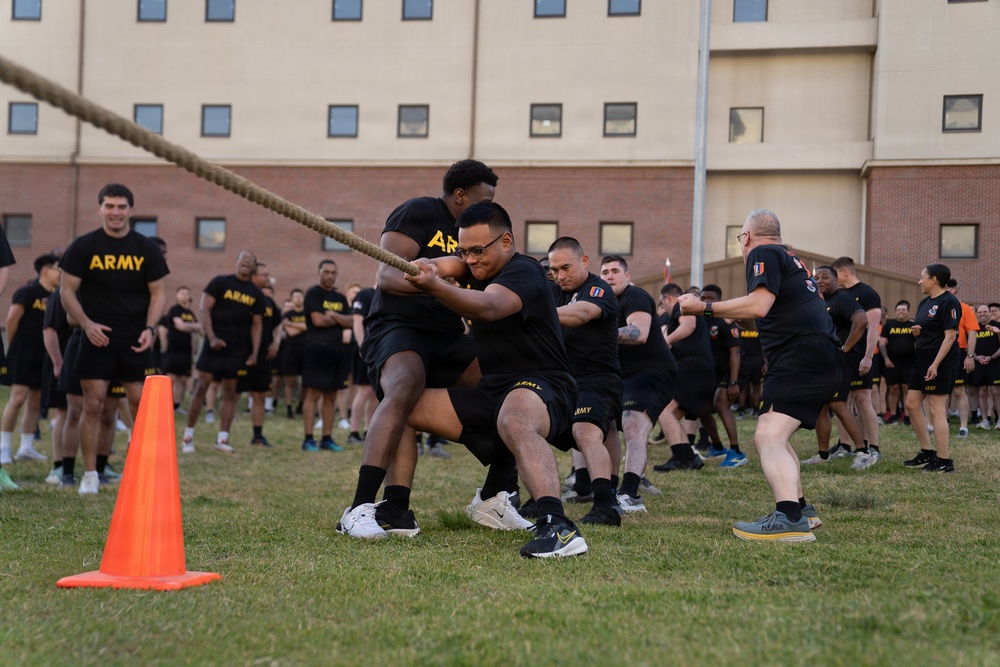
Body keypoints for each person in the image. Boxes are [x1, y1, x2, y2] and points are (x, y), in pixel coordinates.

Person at [344, 202, 587, 557]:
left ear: (505, 241)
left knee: (514, 417)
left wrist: (435, 286)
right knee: (401, 407)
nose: (471, 259)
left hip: (544, 384)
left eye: (478, 250)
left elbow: (487, 306)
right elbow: (442, 266)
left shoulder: (525, 272)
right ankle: (397, 507)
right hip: (494, 390)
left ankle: (557, 526)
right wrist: (426, 268)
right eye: (464, 250)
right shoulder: (474, 264)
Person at [341, 159, 496, 537]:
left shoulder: (469, 235)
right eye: (482, 198)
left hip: (445, 333)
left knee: (502, 380)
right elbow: (389, 277)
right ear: (459, 194)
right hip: (399, 326)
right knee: (406, 386)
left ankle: (495, 497)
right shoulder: (420, 210)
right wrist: (439, 284)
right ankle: (359, 507)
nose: (486, 207)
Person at [678, 209, 839, 542]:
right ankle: (801, 510)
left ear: (746, 236)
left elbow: (759, 305)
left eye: (741, 239)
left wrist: (702, 307)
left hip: (801, 354)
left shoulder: (762, 253)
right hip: (818, 353)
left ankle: (789, 519)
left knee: (768, 434)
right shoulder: (792, 259)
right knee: (775, 430)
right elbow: (766, 314)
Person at [59, 184, 168, 495]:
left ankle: (143, 472)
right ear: (100, 209)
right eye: (109, 206)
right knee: (92, 405)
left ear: (131, 210)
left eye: (121, 207)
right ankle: (90, 475)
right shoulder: (83, 246)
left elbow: (158, 293)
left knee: (138, 406)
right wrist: (86, 324)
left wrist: (150, 329)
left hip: (136, 335)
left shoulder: (146, 248)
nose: (116, 212)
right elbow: (66, 292)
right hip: (96, 334)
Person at [541, 236, 621, 526]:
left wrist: (538, 315)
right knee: (525, 427)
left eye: (566, 268)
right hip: (561, 380)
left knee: (585, 432)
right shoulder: (551, 291)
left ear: (584, 261)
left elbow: (582, 313)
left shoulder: (598, 288)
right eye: (554, 271)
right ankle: (535, 500)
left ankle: (604, 506)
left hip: (598, 379)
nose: (560, 276)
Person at [600, 255, 678, 513]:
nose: (609, 276)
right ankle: (596, 484)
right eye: (604, 272)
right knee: (598, 425)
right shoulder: (602, 302)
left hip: (653, 371)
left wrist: (596, 336)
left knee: (633, 423)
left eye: (614, 271)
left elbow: (639, 333)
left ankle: (630, 493)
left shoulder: (635, 296)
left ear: (627, 275)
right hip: (620, 375)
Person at [181, 250, 263, 453]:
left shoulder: (256, 292)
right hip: (214, 345)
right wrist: (211, 337)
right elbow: (204, 309)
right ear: (236, 262)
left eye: (250, 260)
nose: (246, 262)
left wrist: (254, 353)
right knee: (201, 387)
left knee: (230, 392)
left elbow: (257, 325)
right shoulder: (220, 282)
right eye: (243, 258)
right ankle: (188, 437)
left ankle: (223, 440)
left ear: (253, 267)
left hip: (238, 349)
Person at [801, 266, 868, 469]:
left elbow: (861, 320)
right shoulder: (819, 301)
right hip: (824, 361)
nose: (820, 280)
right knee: (822, 406)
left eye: (825, 277)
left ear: (836, 279)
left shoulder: (842, 299)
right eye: (816, 277)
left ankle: (863, 452)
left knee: (838, 403)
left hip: (842, 361)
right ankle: (823, 455)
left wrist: (846, 348)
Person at [1, 254, 60, 463]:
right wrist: (16, 346)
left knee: (36, 399)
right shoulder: (27, 292)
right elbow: (11, 321)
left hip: (44, 351)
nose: (60, 273)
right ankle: (3, 446)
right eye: (57, 269)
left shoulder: (56, 296)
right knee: (18, 397)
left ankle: (26, 447)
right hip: (24, 348)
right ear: (45, 270)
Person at [902, 265, 962, 472]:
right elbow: (927, 329)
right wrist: (918, 332)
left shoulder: (950, 301)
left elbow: (950, 336)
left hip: (941, 359)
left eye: (922, 278)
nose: (919, 281)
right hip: (922, 356)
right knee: (911, 404)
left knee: (936, 407)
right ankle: (927, 452)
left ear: (933, 279)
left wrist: (935, 365)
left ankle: (944, 461)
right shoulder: (925, 302)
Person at [653, 283, 715, 473]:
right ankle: (686, 457)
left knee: (663, 410)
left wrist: (667, 342)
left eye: (663, 302)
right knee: (670, 415)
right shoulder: (681, 310)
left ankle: (684, 457)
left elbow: (689, 325)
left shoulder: (682, 304)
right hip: (701, 369)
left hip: (691, 367)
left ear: (667, 298)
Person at [831, 257, 882, 461]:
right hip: (840, 356)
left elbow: (872, 330)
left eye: (835, 274)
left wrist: (868, 357)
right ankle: (845, 444)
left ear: (845, 272)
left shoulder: (867, 293)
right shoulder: (838, 295)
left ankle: (874, 447)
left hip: (860, 355)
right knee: (839, 400)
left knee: (862, 399)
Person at [300, 259, 353, 452]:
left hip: (337, 351)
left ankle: (327, 439)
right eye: (326, 272)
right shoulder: (313, 294)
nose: (330, 276)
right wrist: (337, 319)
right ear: (319, 272)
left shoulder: (339, 298)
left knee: (331, 395)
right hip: (317, 349)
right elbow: (318, 320)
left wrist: (333, 315)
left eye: (333, 273)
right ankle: (308, 439)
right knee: (313, 393)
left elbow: (349, 322)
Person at [697, 285, 746, 467]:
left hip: (733, 369)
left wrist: (733, 382)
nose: (707, 302)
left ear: (719, 300)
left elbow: (736, 353)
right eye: (703, 298)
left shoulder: (725, 321)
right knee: (701, 408)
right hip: (713, 372)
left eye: (711, 298)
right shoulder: (701, 321)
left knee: (721, 402)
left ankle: (736, 452)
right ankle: (717, 446)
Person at [239, 262, 281, 447]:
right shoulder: (243, 297)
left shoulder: (269, 302)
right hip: (241, 353)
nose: (268, 278)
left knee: (260, 395)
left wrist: (275, 342)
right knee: (231, 393)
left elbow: (278, 324)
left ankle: (257, 436)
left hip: (263, 355)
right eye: (265, 275)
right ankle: (222, 436)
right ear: (254, 276)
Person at [944, 279, 978, 438]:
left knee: (959, 390)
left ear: (955, 289)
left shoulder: (965, 309)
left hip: (959, 352)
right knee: (941, 391)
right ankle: (942, 422)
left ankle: (964, 428)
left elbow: (972, 333)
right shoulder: (937, 307)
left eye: (950, 287)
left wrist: (970, 356)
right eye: (945, 287)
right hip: (940, 353)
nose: (948, 290)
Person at [347, 284, 378, 445]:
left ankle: (368, 431)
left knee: (374, 391)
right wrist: (362, 347)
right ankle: (353, 432)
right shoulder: (365, 294)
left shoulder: (387, 295)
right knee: (363, 390)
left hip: (379, 352)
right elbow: (357, 320)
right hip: (364, 350)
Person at [162, 286, 201, 413]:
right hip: (174, 349)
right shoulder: (174, 310)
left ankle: (176, 405)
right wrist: (193, 326)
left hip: (187, 351)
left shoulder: (190, 313)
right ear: (177, 296)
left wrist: (193, 353)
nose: (184, 296)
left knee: (182, 379)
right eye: (182, 293)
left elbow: (199, 329)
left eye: (187, 293)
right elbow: (181, 326)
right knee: (171, 377)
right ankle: (166, 405)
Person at [879, 300, 916, 425]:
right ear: (895, 312)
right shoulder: (888, 326)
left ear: (908, 312)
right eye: (899, 310)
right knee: (893, 388)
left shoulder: (913, 326)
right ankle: (893, 415)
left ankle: (907, 415)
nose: (901, 312)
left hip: (909, 362)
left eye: (903, 310)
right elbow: (882, 343)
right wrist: (886, 359)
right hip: (892, 362)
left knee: (906, 388)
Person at [276, 288, 307, 419]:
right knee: (290, 380)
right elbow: (291, 332)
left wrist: (292, 324)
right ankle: (289, 408)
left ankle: (300, 405)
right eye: (296, 297)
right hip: (291, 350)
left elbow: (308, 327)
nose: (299, 298)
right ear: (292, 299)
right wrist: (301, 326)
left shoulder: (308, 313)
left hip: (306, 350)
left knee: (306, 381)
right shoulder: (286, 315)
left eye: (301, 296)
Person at [971, 304, 1000, 429]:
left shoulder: (997, 326)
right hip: (979, 363)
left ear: (990, 313)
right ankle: (984, 421)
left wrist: (991, 357)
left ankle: (999, 420)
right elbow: (970, 345)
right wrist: (976, 357)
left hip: (995, 362)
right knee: (982, 391)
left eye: (985, 311)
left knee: (996, 391)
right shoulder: (974, 328)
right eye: (980, 312)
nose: (982, 314)